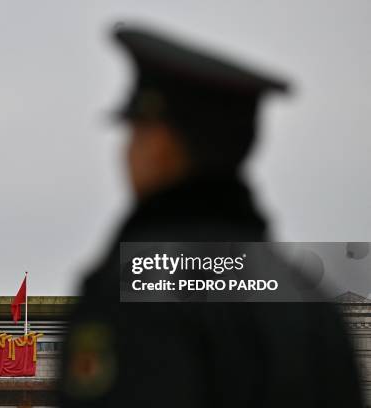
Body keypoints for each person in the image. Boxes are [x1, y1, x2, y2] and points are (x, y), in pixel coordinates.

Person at [58, 24, 363, 407]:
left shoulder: (138, 289)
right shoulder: (309, 298)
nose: (126, 152)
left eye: (137, 132)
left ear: (161, 146)